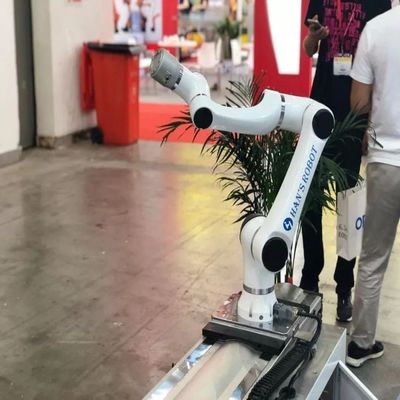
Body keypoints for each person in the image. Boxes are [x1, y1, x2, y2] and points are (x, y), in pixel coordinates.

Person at [300, 0, 391, 323]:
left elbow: (381, 61)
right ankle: (310, 278)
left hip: (354, 116)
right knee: (311, 198)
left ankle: (344, 286)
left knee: (349, 205)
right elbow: (309, 49)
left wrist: (369, 125)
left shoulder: (378, 3)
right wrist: (315, 36)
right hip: (319, 112)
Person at [345, 5, 400, 368]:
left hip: (385, 160)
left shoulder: (376, 29)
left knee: (373, 258)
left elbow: (359, 102)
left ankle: (361, 343)